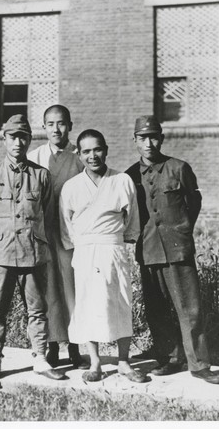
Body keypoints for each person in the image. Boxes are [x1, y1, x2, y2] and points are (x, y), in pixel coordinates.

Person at [126, 115, 219, 384]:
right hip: (148, 250)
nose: (149, 143)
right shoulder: (129, 176)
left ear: (162, 138)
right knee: (156, 309)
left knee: (189, 309)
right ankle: (170, 359)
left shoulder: (179, 168)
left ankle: (200, 365)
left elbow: (193, 203)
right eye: (142, 138)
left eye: (153, 137)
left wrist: (181, 230)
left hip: (177, 248)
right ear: (135, 141)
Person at [0, 114, 65, 383]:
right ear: (4, 140)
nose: (18, 142)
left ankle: (39, 359)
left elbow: (48, 216)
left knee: (37, 310)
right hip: (0, 255)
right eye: (13, 137)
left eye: (23, 137)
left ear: (29, 140)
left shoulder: (41, 176)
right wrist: (3, 234)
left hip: (33, 253)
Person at [59, 129, 146, 383]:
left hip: (113, 249)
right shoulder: (71, 187)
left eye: (97, 149)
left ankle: (123, 361)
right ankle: (95, 362)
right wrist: (82, 247)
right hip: (85, 251)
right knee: (87, 305)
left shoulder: (121, 181)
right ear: (79, 154)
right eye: (86, 151)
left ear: (106, 150)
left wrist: (118, 242)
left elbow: (133, 223)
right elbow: (67, 227)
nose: (92, 155)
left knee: (121, 302)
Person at [28, 105, 88, 369]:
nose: (56, 129)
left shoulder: (81, 157)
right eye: (50, 124)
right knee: (48, 290)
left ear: (70, 125)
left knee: (72, 289)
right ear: (43, 127)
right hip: (43, 234)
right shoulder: (35, 157)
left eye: (61, 123)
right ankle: (52, 347)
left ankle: (75, 346)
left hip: (71, 234)